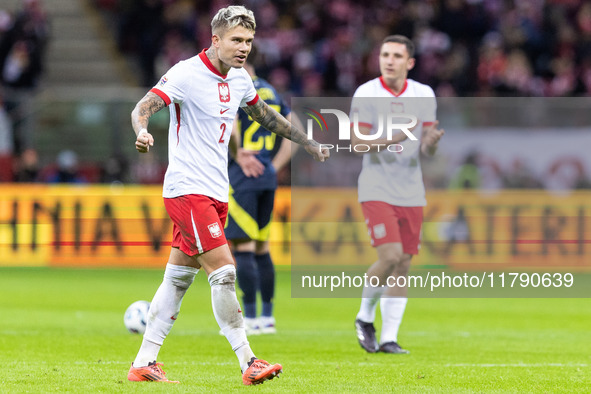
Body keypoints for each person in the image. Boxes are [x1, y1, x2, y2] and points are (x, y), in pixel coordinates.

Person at [127, 5, 329, 385]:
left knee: (177, 278)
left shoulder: (239, 79)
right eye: (236, 40)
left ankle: (144, 362)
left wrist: (307, 142)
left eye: (249, 41)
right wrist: (142, 130)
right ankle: (247, 360)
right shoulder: (186, 73)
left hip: (218, 190)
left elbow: (266, 115)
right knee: (224, 272)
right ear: (215, 39)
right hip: (188, 189)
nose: (243, 48)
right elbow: (143, 107)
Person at [352, 35, 444, 354]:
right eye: (384, 54)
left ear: (410, 62)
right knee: (389, 257)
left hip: (411, 189)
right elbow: (357, 143)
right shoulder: (366, 93)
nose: (388, 60)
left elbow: (427, 149)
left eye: (396, 56)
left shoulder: (424, 94)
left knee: (403, 264)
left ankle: (389, 338)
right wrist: (392, 137)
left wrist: (431, 141)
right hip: (376, 187)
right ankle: (364, 318)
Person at [225, 48, 297, 336]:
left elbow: (231, 131)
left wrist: (239, 155)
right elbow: (295, 130)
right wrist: (274, 166)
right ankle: (267, 316)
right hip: (267, 177)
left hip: (243, 177)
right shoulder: (271, 92)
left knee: (242, 248)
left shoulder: (236, 90)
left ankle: (250, 319)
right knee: (262, 248)